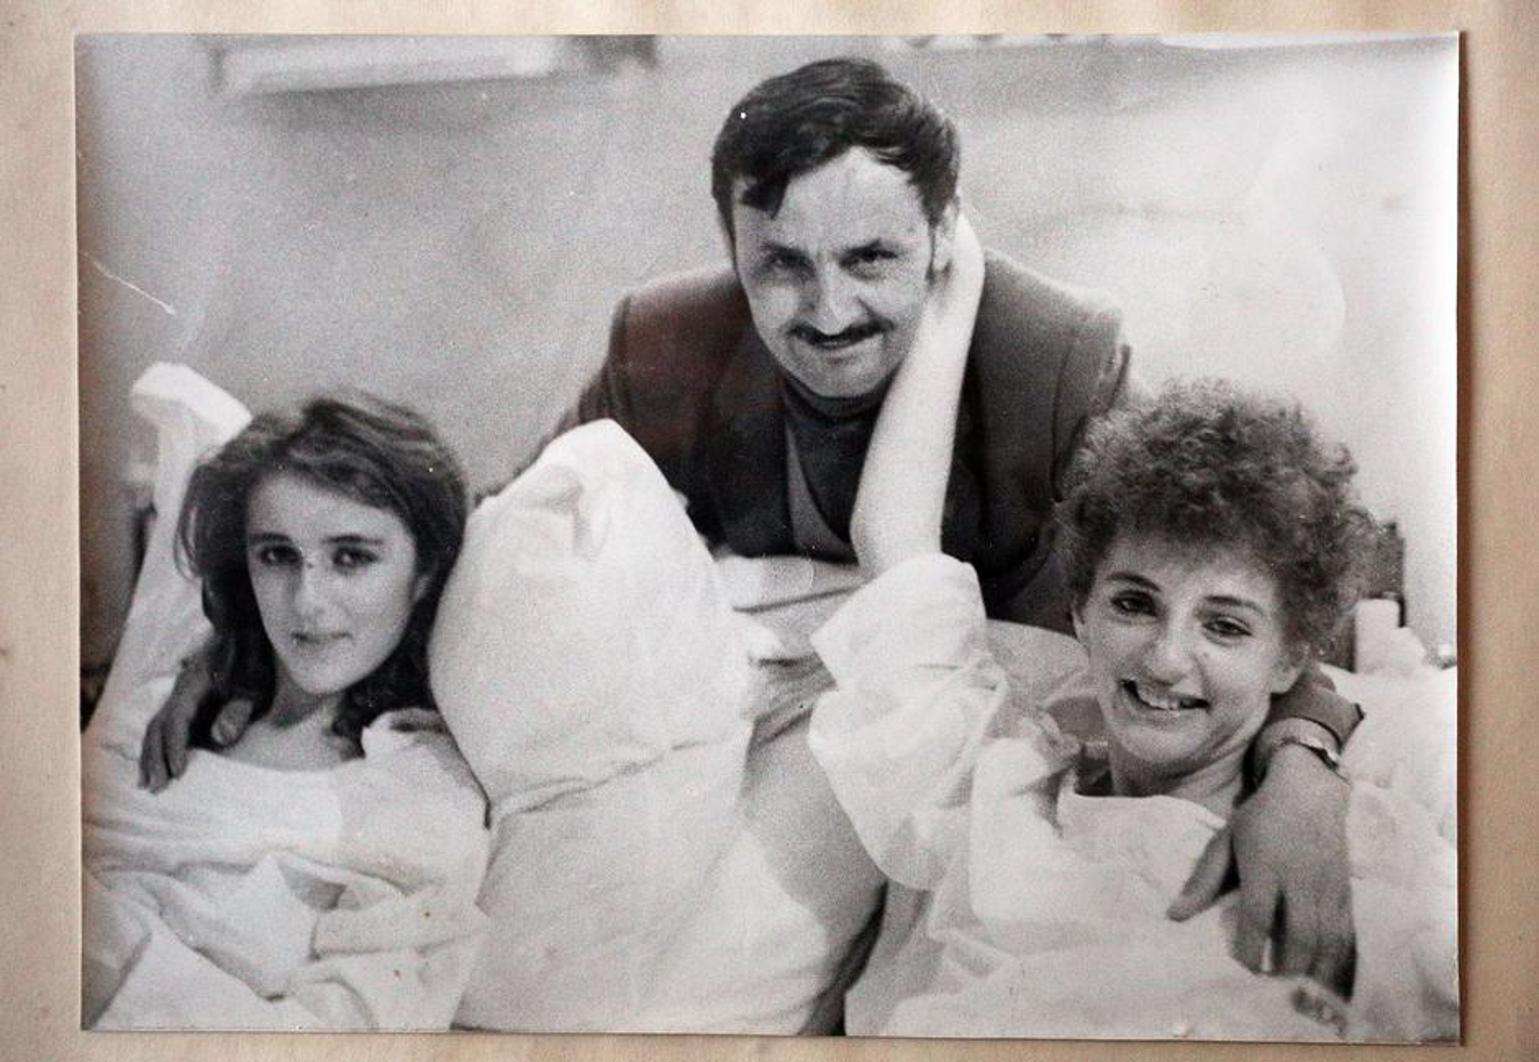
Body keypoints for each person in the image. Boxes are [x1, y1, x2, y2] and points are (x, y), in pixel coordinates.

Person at [140, 56, 1361, 988]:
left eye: (872, 259)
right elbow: (508, 556)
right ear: (731, 243)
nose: (827, 312)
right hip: (770, 705)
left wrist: (1302, 766)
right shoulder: (666, 341)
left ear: (943, 235)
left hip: (978, 734)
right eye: (782, 264)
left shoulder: (1056, 353)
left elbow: (1245, 587)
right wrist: (252, 645)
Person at [808, 251, 1455, 1037]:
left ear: (1291, 657)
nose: (1164, 659)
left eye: (1223, 626)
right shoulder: (996, 787)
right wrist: (952, 266)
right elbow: (891, 540)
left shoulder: (1349, 855)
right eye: (1133, 604)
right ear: (1079, 611)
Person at [83, 394, 490, 1029]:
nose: (307, 602)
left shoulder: (423, 792)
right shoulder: (155, 715)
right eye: (276, 555)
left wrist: (106, 959)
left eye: (351, 557)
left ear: (425, 572)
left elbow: (346, 1050)